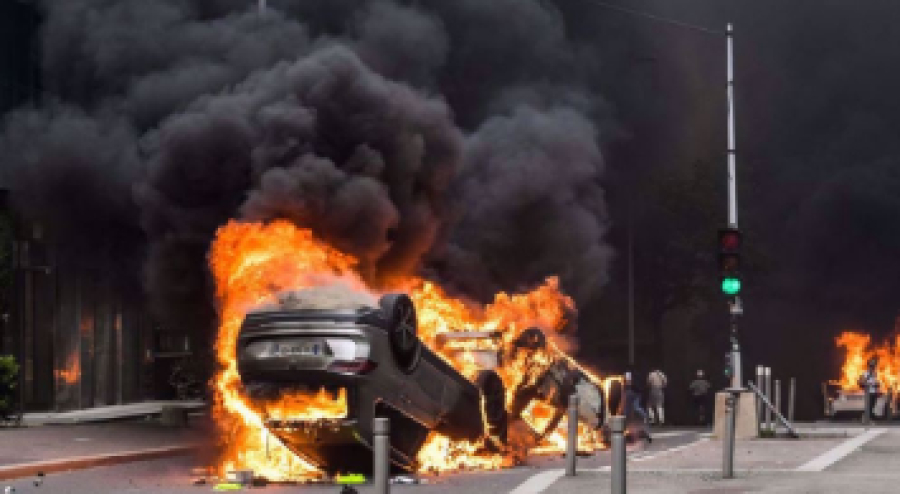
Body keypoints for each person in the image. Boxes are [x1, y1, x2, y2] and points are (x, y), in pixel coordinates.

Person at [858, 357, 881, 421]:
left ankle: (869, 418)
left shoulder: (875, 373)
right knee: (868, 406)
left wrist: (877, 385)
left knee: (872, 406)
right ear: (869, 366)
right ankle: (865, 418)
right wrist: (869, 384)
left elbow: (876, 382)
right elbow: (861, 382)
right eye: (871, 366)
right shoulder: (865, 373)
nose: (873, 367)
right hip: (868, 392)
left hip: (874, 392)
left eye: (874, 366)